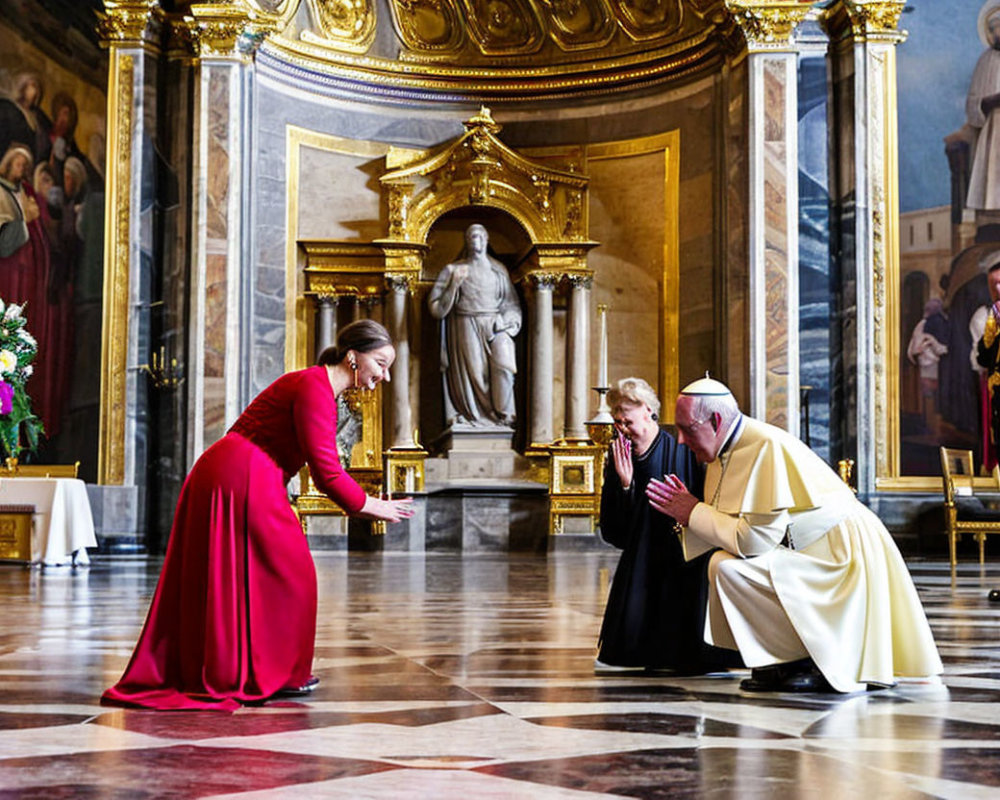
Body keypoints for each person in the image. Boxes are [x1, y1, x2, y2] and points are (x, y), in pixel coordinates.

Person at [102, 320, 414, 711]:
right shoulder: (314, 388)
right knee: (292, 572)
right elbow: (326, 472)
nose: (383, 377)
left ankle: (270, 671)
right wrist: (372, 506)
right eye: (381, 364)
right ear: (354, 357)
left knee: (277, 573)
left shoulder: (317, 387)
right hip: (242, 475)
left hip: (245, 473)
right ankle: (267, 672)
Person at [645, 376, 943, 693]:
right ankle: (783, 660)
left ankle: (809, 661)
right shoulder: (727, 450)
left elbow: (752, 542)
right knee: (722, 564)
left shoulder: (764, 446)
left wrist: (692, 511)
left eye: (687, 429)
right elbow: (736, 526)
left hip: (839, 554)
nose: (679, 440)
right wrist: (688, 515)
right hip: (806, 547)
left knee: (731, 567)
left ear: (716, 421)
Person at [596, 377, 738, 674]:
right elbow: (615, 530)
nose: (622, 428)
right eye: (618, 422)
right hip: (640, 561)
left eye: (627, 420)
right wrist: (624, 485)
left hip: (681, 560)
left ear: (648, 410)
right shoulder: (618, 457)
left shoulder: (684, 452)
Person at [427, 223, 521, 427]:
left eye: (479, 235)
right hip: (465, 323)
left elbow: (511, 304)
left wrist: (508, 322)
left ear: (487, 239)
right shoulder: (453, 270)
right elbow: (435, 307)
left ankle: (503, 415)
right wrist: (454, 285)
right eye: (471, 236)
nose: (475, 240)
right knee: (475, 373)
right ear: (466, 241)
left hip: (495, 325)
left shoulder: (498, 270)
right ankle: (474, 417)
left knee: (504, 366)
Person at [966, 1, 1000, 211]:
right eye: (993, 29)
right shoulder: (985, 61)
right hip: (994, 131)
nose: (997, 33)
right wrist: (987, 103)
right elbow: (972, 103)